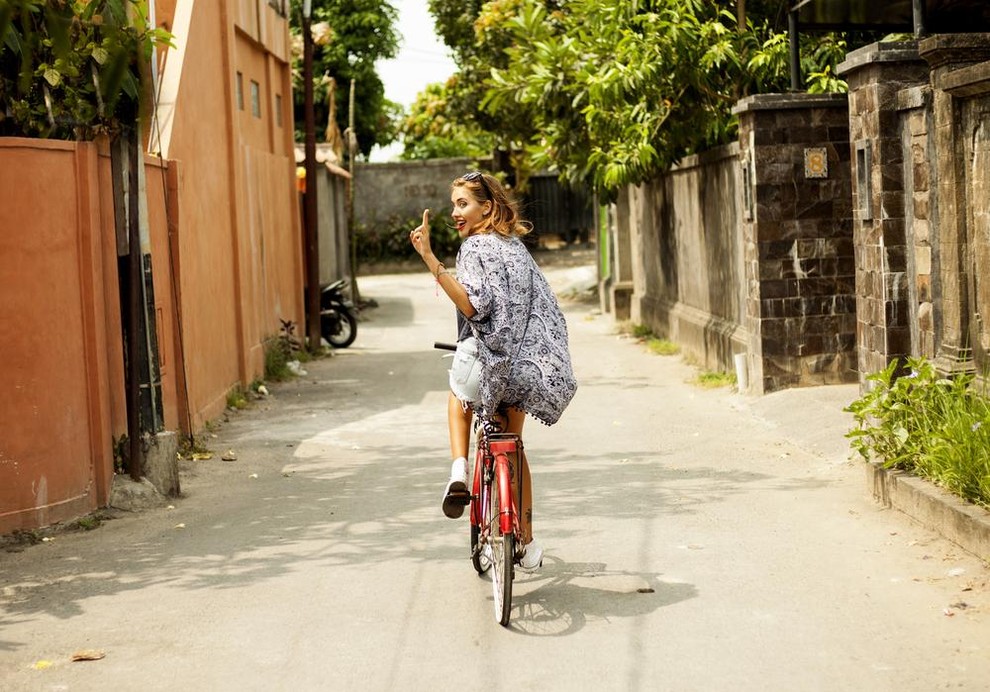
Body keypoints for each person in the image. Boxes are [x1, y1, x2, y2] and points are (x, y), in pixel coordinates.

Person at [409, 171, 577, 571]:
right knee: (514, 449)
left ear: (487, 207)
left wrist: (431, 259)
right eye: (453, 205)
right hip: (525, 369)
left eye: (462, 204)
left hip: (483, 369)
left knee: (457, 392)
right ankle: (530, 543)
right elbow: (547, 312)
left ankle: (459, 469)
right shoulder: (518, 249)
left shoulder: (473, 249)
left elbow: (471, 306)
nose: (455, 213)